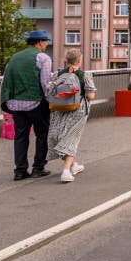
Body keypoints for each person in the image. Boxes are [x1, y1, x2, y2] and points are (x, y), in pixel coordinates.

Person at [0, 30, 53, 181]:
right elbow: (45, 83)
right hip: (36, 103)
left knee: (20, 137)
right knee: (42, 134)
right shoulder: (43, 58)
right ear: (40, 42)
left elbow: (6, 80)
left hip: (15, 104)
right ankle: (38, 168)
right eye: (45, 42)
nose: (46, 44)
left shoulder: (15, 57)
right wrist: (51, 100)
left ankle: (20, 170)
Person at [46, 49, 95, 183]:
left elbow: (51, 91)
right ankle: (66, 171)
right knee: (71, 139)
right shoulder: (84, 75)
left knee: (60, 137)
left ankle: (74, 166)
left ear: (67, 61)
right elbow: (90, 95)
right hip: (78, 111)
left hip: (59, 110)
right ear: (79, 61)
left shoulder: (57, 74)